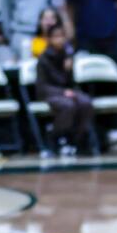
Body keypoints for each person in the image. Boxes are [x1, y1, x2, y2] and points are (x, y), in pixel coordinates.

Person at [35, 24, 94, 156]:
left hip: (68, 92)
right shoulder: (43, 59)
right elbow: (42, 86)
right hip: (50, 94)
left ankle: (78, 140)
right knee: (68, 105)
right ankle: (55, 138)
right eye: (56, 37)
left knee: (86, 102)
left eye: (62, 36)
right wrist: (62, 92)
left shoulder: (68, 56)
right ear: (49, 39)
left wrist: (69, 69)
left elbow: (71, 83)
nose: (60, 40)